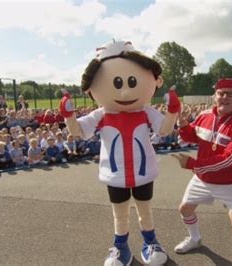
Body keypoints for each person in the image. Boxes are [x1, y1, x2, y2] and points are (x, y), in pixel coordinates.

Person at [60, 41, 179, 266]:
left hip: (142, 171)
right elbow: (78, 131)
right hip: (115, 174)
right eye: (116, 83)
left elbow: (164, 129)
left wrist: (173, 112)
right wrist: (68, 115)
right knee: (120, 213)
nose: (125, 91)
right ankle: (120, 246)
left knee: (145, 211)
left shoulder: (145, 111)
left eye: (132, 82)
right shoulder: (101, 113)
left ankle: (150, 242)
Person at [171, 78, 232, 266]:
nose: (225, 97)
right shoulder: (205, 115)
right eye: (221, 93)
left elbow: (230, 158)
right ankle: (195, 239)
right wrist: (182, 123)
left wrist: (193, 163)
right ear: (214, 96)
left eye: (230, 94)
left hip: (230, 182)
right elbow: (192, 136)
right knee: (184, 209)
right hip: (203, 178)